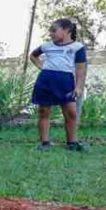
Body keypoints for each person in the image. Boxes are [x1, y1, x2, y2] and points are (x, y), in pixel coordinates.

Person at [30, 17, 87, 152]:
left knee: (71, 114)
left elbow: (80, 69)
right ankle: (44, 143)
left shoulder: (77, 47)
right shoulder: (46, 46)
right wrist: (42, 66)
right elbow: (33, 56)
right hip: (45, 81)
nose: (51, 33)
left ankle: (72, 143)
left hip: (65, 82)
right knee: (44, 112)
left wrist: (78, 87)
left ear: (67, 30)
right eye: (50, 31)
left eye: (54, 30)